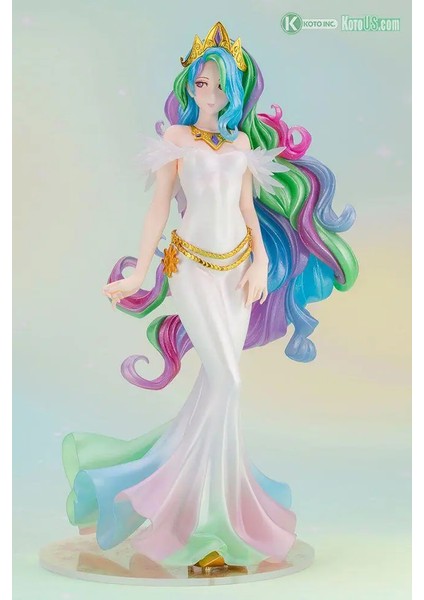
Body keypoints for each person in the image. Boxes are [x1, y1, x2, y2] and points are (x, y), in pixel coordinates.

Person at [62, 21, 359, 572]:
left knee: (219, 391)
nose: (211, 94)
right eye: (203, 84)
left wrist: (262, 263)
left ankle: (211, 519)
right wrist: (140, 272)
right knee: (227, 381)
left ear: (234, 95)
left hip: (237, 274)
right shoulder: (176, 139)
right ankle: (180, 512)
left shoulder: (241, 144)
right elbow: (159, 208)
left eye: (222, 87)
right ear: (190, 86)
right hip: (191, 269)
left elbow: (247, 211)